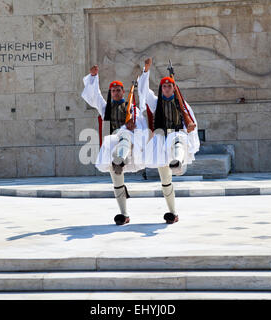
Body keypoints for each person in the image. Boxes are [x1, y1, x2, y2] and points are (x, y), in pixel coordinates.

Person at [81, 65, 148, 225]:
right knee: (117, 182)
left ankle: (120, 159)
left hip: (128, 145)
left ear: (123, 92)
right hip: (111, 146)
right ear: (110, 93)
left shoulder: (132, 108)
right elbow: (94, 96)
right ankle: (123, 214)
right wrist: (93, 77)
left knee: (124, 135)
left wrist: (133, 125)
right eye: (113, 90)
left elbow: (141, 125)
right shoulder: (105, 108)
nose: (116, 92)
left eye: (118, 90)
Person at [138, 58, 200, 224]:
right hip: (160, 139)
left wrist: (191, 127)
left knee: (177, 139)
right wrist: (146, 71)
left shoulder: (181, 102)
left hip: (176, 135)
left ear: (174, 88)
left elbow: (190, 119)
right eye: (164, 86)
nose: (166, 88)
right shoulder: (156, 102)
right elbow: (143, 91)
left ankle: (177, 162)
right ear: (161, 88)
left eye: (169, 86)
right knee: (165, 181)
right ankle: (172, 212)